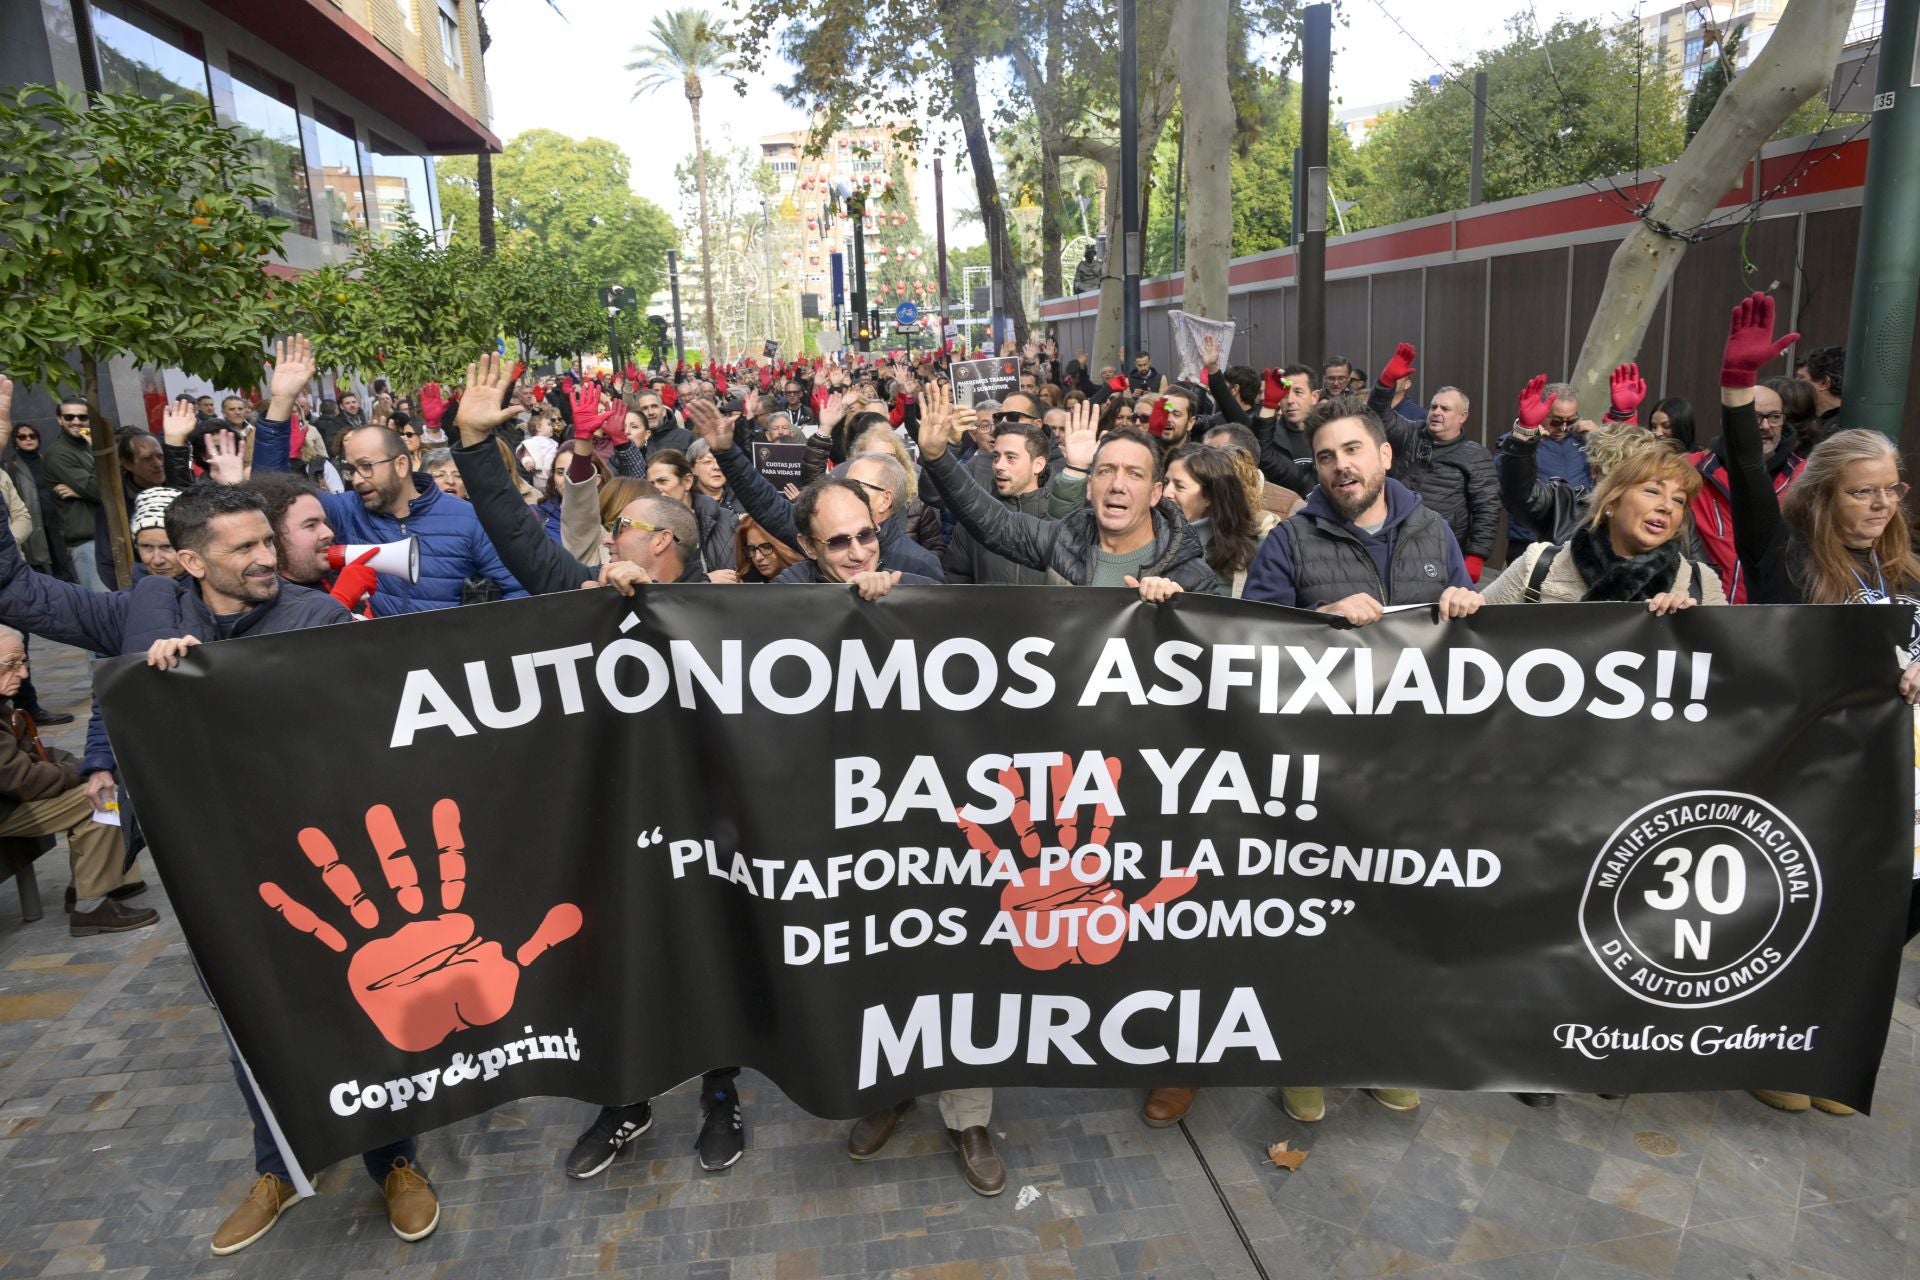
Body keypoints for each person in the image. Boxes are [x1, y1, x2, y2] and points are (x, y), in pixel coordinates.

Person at [446, 355, 746, 1173]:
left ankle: (721, 1094)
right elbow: (514, 535)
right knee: (620, 962)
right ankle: (626, 1101)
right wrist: (473, 446)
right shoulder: (587, 594)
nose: (607, 542)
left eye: (620, 534)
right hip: (614, 823)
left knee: (710, 955)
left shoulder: (735, 614)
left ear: (658, 542)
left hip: (708, 824)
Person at [252, 336, 525, 612]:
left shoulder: (466, 518)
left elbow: (518, 588)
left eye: (367, 466)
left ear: (401, 465)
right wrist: (280, 404)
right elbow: (269, 496)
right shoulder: (344, 512)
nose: (357, 479)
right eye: (351, 470)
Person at [919, 385, 1216, 595]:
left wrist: (1178, 609)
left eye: (1135, 474)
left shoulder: (1189, 576)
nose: (1117, 485)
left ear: (1155, 493)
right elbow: (991, 521)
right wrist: (937, 456)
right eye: (1105, 471)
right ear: (1089, 485)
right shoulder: (1063, 542)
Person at [1241, 395, 1479, 622]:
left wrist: (1466, 603)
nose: (1341, 465)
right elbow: (1256, 634)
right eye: (1326, 457)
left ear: (1385, 455)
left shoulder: (1435, 531)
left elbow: (1469, 634)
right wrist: (1321, 617)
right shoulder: (1286, 542)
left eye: (1352, 449)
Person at [0, 623, 154, 935]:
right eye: (11, 665)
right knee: (98, 796)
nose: (23, 674)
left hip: (8, 800)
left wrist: (74, 766)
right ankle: (91, 904)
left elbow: (24, 758)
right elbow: (22, 779)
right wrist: (78, 773)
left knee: (101, 784)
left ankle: (99, 881)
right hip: (7, 806)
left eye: (23, 663)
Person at [690, 400, 946, 582]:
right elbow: (766, 504)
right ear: (809, 546)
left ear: (885, 500)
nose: (856, 552)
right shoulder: (799, 569)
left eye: (858, 487)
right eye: (836, 542)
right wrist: (726, 453)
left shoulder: (920, 567)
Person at [1689, 374, 1804, 603]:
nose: (1764, 426)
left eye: (1774, 417)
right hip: (1704, 614)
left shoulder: (1806, 478)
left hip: (1773, 618)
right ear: (1730, 421)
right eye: (1754, 417)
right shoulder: (1691, 469)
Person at [943, 423, 1052, 585]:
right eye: (996, 457)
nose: (999, 466)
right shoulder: (975, 516)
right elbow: (955, 584)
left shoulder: (1059, 518)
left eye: (1011, 458)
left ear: (1038, 465)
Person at [1497, 377, 1593, 552]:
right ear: (1541, 412)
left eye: (1570, 421)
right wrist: (1526, 439)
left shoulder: (1585, 440)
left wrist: (1600, 439)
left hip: (1577, 540)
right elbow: (1508, 478)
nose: (1564, 428)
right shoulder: (1520, 444)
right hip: (1531, 541)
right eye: (1556, 421)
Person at [1163, 443, 1271, 597]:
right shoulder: (1147, 541)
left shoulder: (1256, 551)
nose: (1166, 493)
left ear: (1209, 497)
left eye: (1179, 486)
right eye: (1166, 483)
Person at [44, 397, 105, 591]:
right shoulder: (58, 453)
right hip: (87, 541)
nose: (76, 421)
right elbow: (98, 489)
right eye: (69, 416)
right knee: (103, 603)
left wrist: (81, 493)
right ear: (59, 420)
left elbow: (113, 485)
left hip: (106, 534)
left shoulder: (88, 446)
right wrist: (90, 491)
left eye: (82, 416)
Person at [646, 449, 736, 575]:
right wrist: (705, 581)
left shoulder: (725, 520)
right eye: (651, 484)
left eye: (663, 481)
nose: (656, 489)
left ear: (687, 481)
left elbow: (735, 574)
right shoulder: (646, 524)